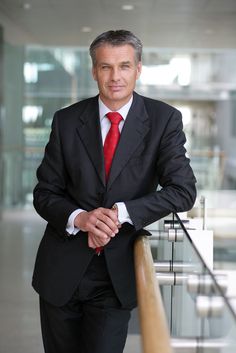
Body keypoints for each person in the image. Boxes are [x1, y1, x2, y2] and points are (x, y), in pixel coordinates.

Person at [32, 29, 196, 353]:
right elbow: (45, 193)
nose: (115, 76)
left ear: (138, 69)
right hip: (61, 271)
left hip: (116, 276)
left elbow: (183, 190)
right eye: (106, 67)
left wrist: (118, 214)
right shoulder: (66, 121)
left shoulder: (164, 120)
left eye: (124, 66)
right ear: (94, 71)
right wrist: (81, 219)